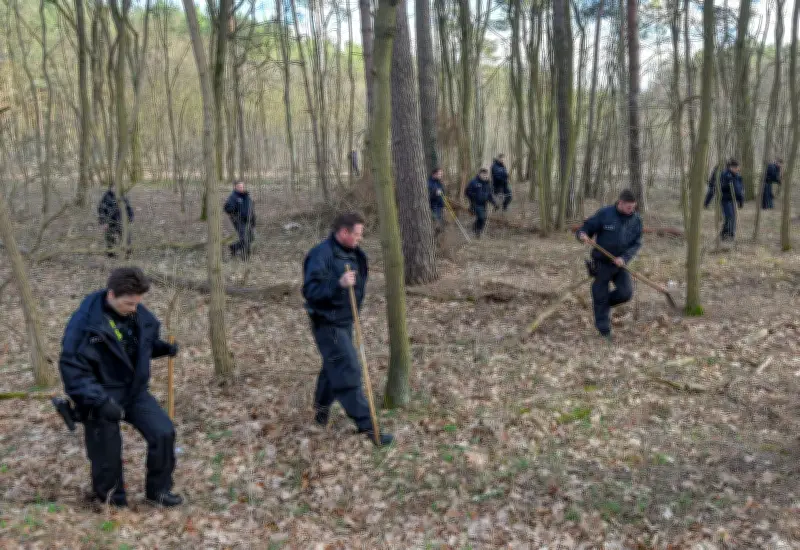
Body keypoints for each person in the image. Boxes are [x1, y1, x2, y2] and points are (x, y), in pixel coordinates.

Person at [58, 267, 182, 507]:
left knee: (164, 432)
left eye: (137, 303)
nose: (134, 309)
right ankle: (112, 500)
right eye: (129, 304)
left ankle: (159, 491)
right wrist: (100, 401)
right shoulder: (84, 324)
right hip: (99, 393)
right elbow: (73, 370)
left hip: (133, 390)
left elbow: (137, 347)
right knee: (107, 448)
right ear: (111, 295)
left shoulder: (137, 313)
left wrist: (161, 348)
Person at [302, 213, 394, 447]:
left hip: (345, 320)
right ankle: (369, 426)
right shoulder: (320, 255)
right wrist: (338, 284)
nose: (360, 239)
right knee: (347, 369)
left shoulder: (354, 253)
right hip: (327, 322)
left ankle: (321, 412)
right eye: (357, 234)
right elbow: (311, 291)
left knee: (332, 366)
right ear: (343, 232)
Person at [576, 189, 643, 341]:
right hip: (602, 262)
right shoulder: (605, 214)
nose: (631, 210)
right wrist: (582, 235)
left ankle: (603, 305)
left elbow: (637, 243)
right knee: (600, 295)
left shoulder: (636, 220)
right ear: (620, 203)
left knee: (626, 293)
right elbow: (585, 229)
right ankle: (604, 332)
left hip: (620, 264)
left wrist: (624, 258)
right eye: (628, 207)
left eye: (633, 207)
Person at [704, 159, 744, 240]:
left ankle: (726, 234)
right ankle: (728, 235)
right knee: (729, 217)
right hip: (725, 199)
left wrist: (741, 201)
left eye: (738, 168)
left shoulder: (738, 176)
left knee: (732, 217)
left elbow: (740, 190)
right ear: (731, 167)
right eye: (736, 168)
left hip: (734, 200)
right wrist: (706, 202)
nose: (737, 169)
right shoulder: (724, 175)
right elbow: (717, 187)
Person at [98, 186, 134, 259]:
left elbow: (129, 208)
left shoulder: (122, 196)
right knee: (109, 237)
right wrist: (103, 222)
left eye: (116, 187)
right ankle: (110, 253)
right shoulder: (106, 197)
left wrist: (130, 218)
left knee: (126, 236)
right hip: (110, 221)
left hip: (121, 220)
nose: (115, 189)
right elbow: (101, 211)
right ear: (111, 188)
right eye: (113, 187)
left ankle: (127, 252)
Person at [224, 180, 256, 260]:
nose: (241, 188)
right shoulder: (233, 197)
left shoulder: (247, 196)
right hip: (238, 220)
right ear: (235, 187)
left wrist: (253, 220)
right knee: (245, 238)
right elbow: (227, 208)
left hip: (248, 220)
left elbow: (251, 209)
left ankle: (233, 247)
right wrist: (234, 211)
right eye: (239, 187)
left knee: (251, 237)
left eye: (242, 186)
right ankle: (245, 257)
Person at [465, 168, 497, 238]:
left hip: (483, 204)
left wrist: (494, 203)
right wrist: (473, 197)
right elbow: (467, 192)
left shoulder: (488, 183)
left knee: (483, 219)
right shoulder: (473, 182)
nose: (485, 176)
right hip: (475, 203)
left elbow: (489, 195)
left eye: (486, 174)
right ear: (479, 174)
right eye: (483, 174)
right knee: (481, 217)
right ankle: (477, 231)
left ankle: (476, 230)